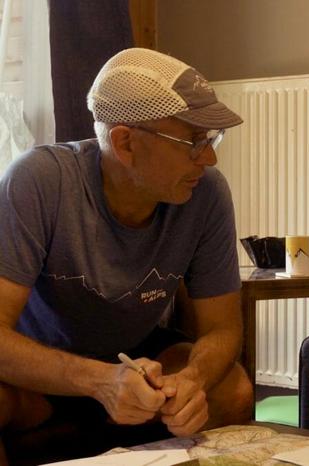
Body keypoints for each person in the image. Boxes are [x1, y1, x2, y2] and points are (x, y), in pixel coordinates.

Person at [0, 48, 253, 463]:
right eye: (193, 141)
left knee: (234, 389)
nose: (209, 158)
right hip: (40, 370)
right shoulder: (38, 182)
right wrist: (99, 381)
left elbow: (223, 328)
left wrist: (193, 379)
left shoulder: (206, 193)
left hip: (141, 362)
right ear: (125, 142)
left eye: (210, 140)